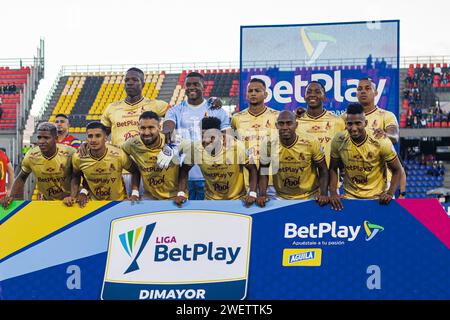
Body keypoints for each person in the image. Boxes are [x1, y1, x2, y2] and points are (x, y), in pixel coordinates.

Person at [161, 72, 230, 200]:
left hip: (211, 175)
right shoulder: (175, 110)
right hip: (183, 175)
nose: (192, 87)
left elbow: (228, 138)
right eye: (188, 85)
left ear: (204, 86)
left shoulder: (217, 109)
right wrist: (168, 136)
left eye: (196, 84)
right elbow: (167, 127)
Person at [329, 104, 402, 210]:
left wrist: (390, 193)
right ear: (346, 124)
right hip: (349, 199)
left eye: (358, 123)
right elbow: (333, 168)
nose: (354, 128)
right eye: (350, 124)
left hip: (377, 199)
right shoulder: (338, 140)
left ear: (365, 123)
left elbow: (397, 170)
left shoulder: (381, 141)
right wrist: (333, 192)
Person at [175, 117, 258, 207]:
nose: (207, 140)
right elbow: (184, 170)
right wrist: (181, 193)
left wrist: (252, 193)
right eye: (203, 136)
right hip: (211, 201)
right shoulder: (196, 149)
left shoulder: (236, 147)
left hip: (237, 200)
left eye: (211, 137)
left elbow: (253, 169)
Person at [257, 110, 329, 206]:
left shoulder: (311, 142)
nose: (285, 127)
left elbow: (323, 169)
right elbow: (263, 170)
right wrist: (262, 194)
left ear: (296, 125)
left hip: (310, 196)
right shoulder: (268, 143)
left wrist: (323, 194)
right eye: (281, 124)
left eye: (289, 123)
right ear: (276, 125)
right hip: (280, 197)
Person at [0, 123, 76, 208]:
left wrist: (73, 196)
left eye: (46, 138)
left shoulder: (70, 153)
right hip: (47, 203)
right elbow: (21, 177)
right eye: (39, 138)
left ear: (56, 139)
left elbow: (77, 176)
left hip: (70, 203)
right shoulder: (31, 155)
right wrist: (16, 199)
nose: (41, 141)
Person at [64, 122, 138, 208]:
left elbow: (135, 171)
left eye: (98, 136)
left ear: (106, 138)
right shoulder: (78, 157)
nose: (93, 140)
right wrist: (79, 194)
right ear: (86, 139)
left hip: (118, 202)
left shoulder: (119, 154)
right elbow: (76, 176)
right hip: (92, 204)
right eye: (90, 136)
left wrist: (135, 193)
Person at [231, 78, 279, 195]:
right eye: (250, 91)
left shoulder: (277, 116)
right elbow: (234, 148)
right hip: (246, 180)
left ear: (266, 95)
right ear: (246, 95)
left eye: (257, 90)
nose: (253, 93)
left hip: (272, 179)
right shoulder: (237, 118)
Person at [122, 111, 181, 201]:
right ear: (138, 128)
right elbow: (119, 155)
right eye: (142, 128)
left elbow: (189, 162)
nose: (146, 132)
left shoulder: (171, 142)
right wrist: (135, 192)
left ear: (159, 127)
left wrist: (181, 192)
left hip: (174, 197)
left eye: (151, 128)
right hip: (150, 196)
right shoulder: (133, 144)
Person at [296, 81, 345, 167]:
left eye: (317, 92)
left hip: (330, 177)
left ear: (324, 97)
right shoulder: (297, 122)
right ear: (304, 97)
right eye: (309, 92)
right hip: (304, 178)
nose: (312, 94)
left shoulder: (337, 122)